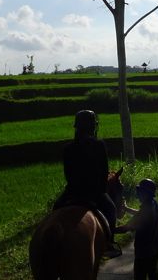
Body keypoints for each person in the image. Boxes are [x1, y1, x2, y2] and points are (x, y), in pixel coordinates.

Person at [53, 109, 121, 258]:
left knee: (55, 208)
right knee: (111, 209)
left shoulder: (68, 148)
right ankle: (109, 244)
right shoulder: (99, 146)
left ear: (76, 127)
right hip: (95, 193)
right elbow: (104, 174)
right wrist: (100, 190)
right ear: (92, 127)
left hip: (72, 192)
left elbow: (68, 176)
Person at [115, 178, 158, 280]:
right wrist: (127, 208)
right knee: (153, 274)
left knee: (140, 276)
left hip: (144, 252)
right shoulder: (153, 203)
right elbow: (140, 214)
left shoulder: (146, 208)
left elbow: (126, 228)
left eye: (139, 191)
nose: (138, 194)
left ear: (145, 193)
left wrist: (108, 229)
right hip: (156, 248)